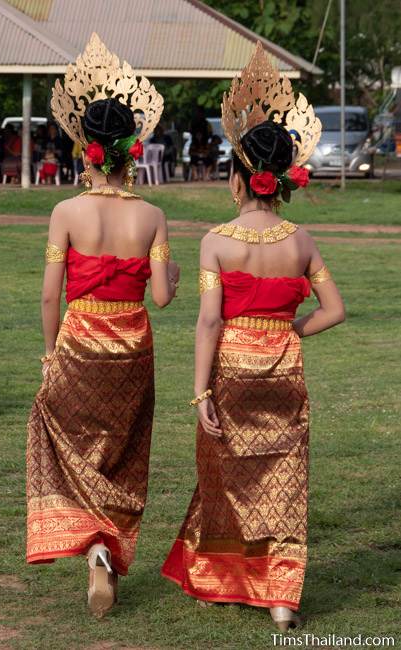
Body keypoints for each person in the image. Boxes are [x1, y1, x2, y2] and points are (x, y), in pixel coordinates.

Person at [162, 42, 345, 631]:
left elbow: (209, 321)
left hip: (232, 368)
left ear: (242, 175)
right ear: (284, 178)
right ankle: (282, 597)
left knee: (227, 474)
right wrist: (291, 329)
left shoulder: (217, 240)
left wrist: (200, 391)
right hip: (284, 370)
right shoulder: (302, 240)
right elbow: (334, 310)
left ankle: (231, 574)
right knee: (286, 477)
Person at [26, 33, 179, 619]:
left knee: (68, 441)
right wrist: (175, 270)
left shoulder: (65, 212)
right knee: (121, 448)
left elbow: (49, 295)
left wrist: (49, 352)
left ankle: (91, 545)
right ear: (130, 150)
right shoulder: (153, 215)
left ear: (84, 148)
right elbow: (163, 298)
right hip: (133, 342)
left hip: (79, 338)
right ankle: (103, 549)